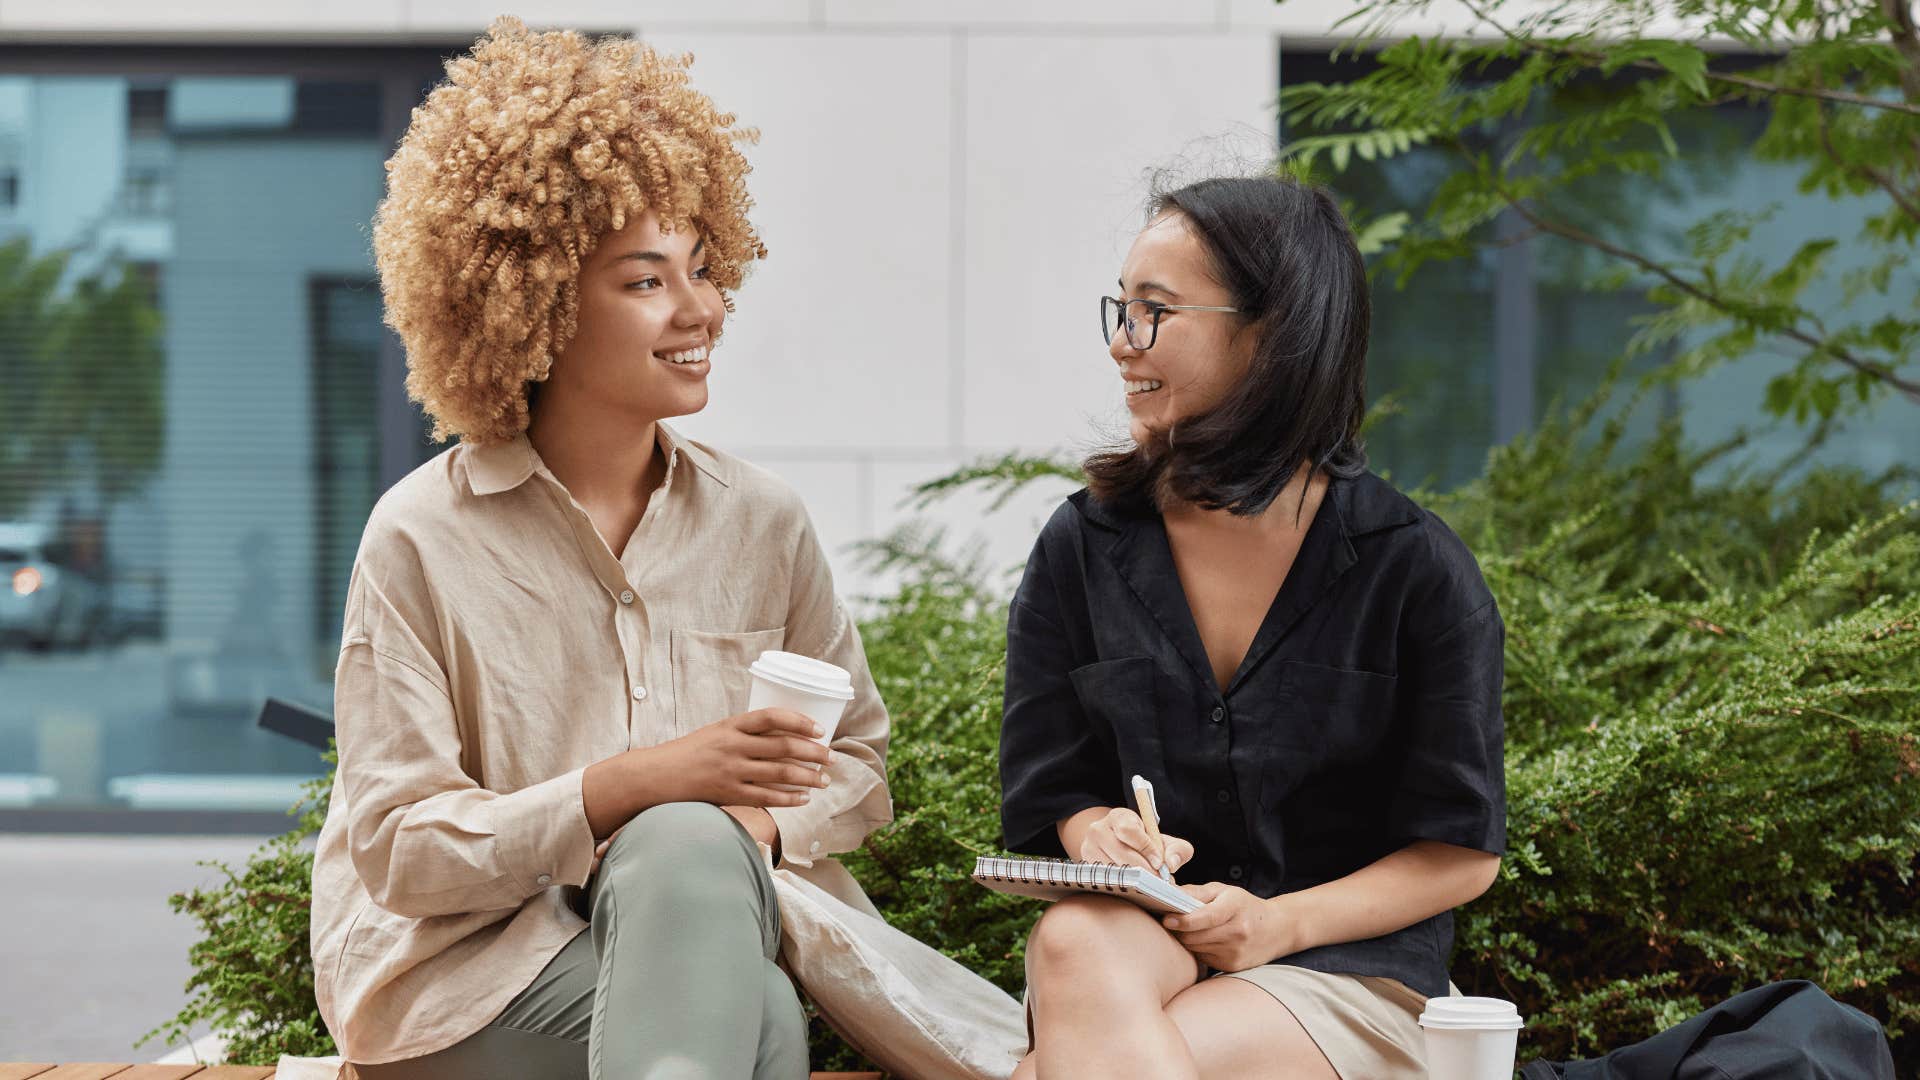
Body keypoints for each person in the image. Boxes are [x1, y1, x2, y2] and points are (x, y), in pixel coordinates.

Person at [307, 19, 892, 1079]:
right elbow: (396, 849)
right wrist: (631, 785)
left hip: (689, 940)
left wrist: (750, 830)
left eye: (703, 270)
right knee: (754, 1011)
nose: (702, 309)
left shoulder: (764, 522)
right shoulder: (420, 538)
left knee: (693, 858)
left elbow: (856, 762)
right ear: (530, 306)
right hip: (461, 983)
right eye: (646, 281)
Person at [998, 174, 1506, 1080]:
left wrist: (1279, 921)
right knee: (1073, 938)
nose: (1122, 343)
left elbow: (1459, 852)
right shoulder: (1083, 546)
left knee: (1072, 1068)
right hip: (1141, 948)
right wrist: (1099, 833)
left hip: (1347, 975)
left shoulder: (1414, 570)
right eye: (1120, 309)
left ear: (1269, 336)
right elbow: (1052, 788)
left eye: (1155, 312)